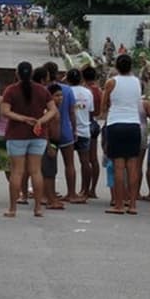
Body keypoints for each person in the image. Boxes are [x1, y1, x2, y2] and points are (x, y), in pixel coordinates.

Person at [1, 61, 57, 218]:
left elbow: (5, 112)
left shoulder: (11, 90)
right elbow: (53, 110)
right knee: (36, 171)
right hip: (38, 135)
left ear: (17, 74)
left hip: (16, 135)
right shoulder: (42, 90)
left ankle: (13, 209)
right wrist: (41, 120)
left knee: (17, 172)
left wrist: (22, 118)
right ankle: (38, 208)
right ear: (32, 74)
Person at [100, 54, 143, 215]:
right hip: (134, 124)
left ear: (117, 66)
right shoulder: (137, 82)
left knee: (118, 167)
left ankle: (118, 204)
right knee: (132, 167)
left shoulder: (111, 82)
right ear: (131, 66)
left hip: (116, 124)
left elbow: (104, 105)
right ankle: (132, 205)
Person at [44, 62, 81, 204]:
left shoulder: (45, 90)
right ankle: (71, 193)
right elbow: (72, 112)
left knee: (49, 166)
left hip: (50, 133)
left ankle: (49, 194)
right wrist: (74, 129)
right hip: (66, 131)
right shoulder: (67, 89)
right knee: (69, 163)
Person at [67, 68, 95, 200]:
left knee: (70, 163)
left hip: (70, 131)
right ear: (81, 78)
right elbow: (91, 112)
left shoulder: (66, 91)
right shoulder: (88, 93)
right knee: (85, 162)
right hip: (84, 130)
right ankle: (85, 190)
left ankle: (70, 192)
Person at [82, 66, 103, 199]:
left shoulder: (85, 91)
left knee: (84, 160)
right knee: (93, 159)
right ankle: (92, 189)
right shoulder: (99, 91)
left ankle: (84, 188)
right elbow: (98, 111)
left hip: (85, 123)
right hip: (94, 123)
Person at [43, 84, 65, 210]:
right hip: (49, 143)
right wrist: (48, 146)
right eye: (57, 96)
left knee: (52, 172)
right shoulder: (49, 111)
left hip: (54, 143)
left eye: (61, 95)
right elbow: (44, 130)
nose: (60, 98)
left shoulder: (56, 110)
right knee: (49, 173)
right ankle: (50, 200)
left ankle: (51, 197)